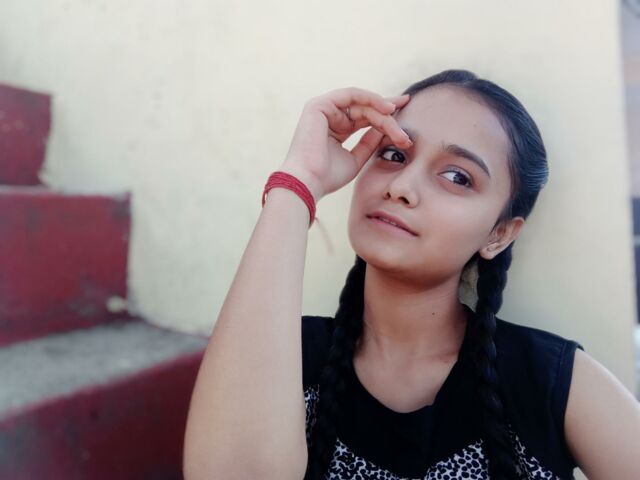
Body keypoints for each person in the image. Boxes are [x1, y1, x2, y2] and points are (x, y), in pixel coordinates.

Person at [183, 69, 640, 480]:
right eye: (393, 154)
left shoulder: (553, 381)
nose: (400, 187)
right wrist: (299, 181)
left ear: (499, 234)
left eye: (458, 177)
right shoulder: (285, 359)